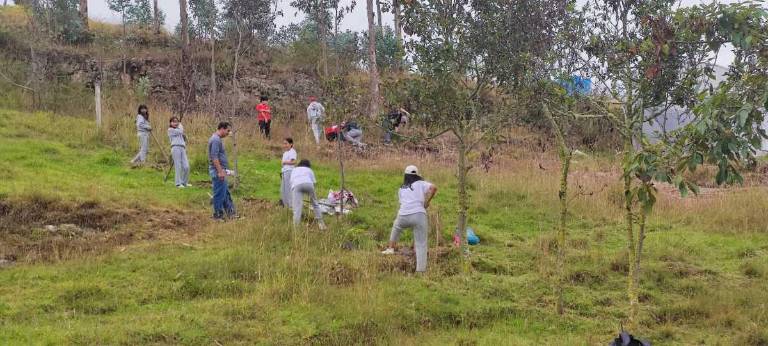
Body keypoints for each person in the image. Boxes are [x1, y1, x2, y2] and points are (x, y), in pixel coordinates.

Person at [381, 165, 438, 273]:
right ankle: (420, 271)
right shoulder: (421, 183)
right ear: (417, 175)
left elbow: (402, 202)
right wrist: (427, 201)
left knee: (396, 226)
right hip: (419, 215)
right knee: (421, 243)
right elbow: (434, 188)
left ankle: (390, 248)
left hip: (403, 215)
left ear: (405, 176)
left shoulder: (401, 188)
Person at [208, 122, 237, 220]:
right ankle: (217, 216)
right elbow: (214, 157)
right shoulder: (215, 140)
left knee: (225, 193)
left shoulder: (218, 139)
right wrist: (220, 171)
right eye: (227, 131)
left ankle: (232, 214)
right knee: (219, 194)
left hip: (222, 170)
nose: (228, 133)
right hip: (218, 171)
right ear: (222, 129)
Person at [290, 159, 326, 230]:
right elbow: (314, 183)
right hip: (308, 184)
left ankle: (296, 229)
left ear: (300, 164)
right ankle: (322, 225)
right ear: (308, 165)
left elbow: (291, 182)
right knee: (315, 204)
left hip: (296, 185)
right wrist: (312, 196)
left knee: (297, 208)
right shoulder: (309, 170)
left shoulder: (294, 170)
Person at [168, 116, 192, 188]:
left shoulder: (179, 130)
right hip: (175, 148)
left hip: (182, 148)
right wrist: (180, 125)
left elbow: (184, 138)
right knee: (178, 166)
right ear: (170, 123)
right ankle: (178, 183)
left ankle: (184, 182)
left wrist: (184, 136)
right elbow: (180, 131)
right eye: (173, 121)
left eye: (177, 121)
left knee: (186, 166)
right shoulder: (170, 130)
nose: (175, 123)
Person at [280, 137, 297, 208]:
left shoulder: (292, 151)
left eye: (286, 143)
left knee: (288, 188)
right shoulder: (285, 153)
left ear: (291, 144)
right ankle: (284, 203)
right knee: (283, 188)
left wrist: (284, 162)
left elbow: (294, 162)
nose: (285, 145)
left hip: (289, 171)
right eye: (284, 144)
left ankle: (290, 204)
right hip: (284, 171)